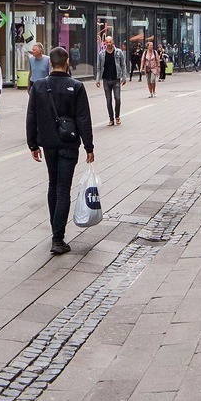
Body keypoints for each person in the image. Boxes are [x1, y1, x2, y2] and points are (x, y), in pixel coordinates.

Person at [26, 46, 95, 255]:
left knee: (52, 184)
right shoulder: (77, 86)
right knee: (63, 189)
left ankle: (55, 231)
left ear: (49, 63)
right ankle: (58, 237)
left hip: (48, 144)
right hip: (69, 144)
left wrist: (33, 144)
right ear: (67, 63)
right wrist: (89, 146)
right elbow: (83, 118)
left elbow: (31, 117)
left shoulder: (38, 86)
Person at [95, 35, 128, 126]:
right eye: (107, 42)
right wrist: (98, 80)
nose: (109, 44)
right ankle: (111, 119)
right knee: (108, 100)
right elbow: (98, 68)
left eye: (110, 42)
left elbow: (123, 65)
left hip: (116, 79)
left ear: (113, 42)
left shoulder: (118, 52)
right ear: (105, 43)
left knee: (117, 99)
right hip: (106, 80)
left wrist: (124, 78)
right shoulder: (101, 54)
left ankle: (117, 116)